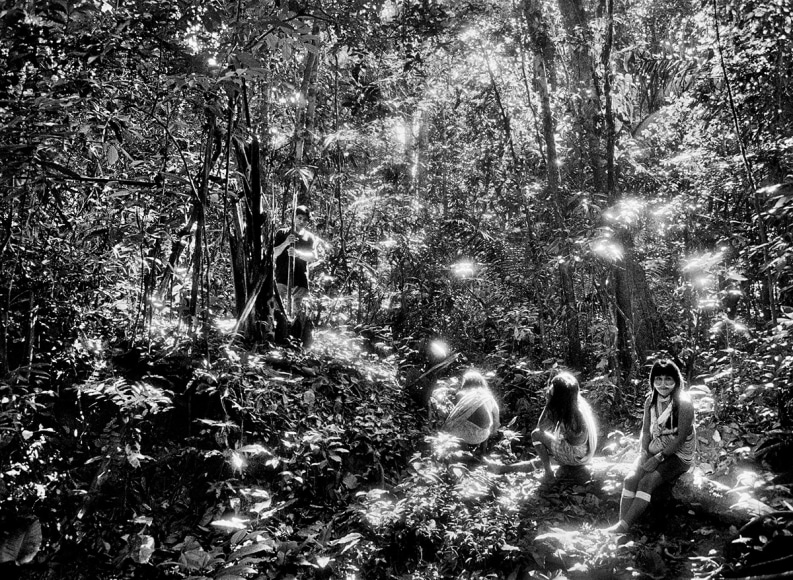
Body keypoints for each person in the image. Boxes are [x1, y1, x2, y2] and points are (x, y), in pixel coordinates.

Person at [606, 359, 695, 533]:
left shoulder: (684, 403)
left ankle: (622, 528)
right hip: (655, 448)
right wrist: (643, 452)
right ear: (652, 381)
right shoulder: (650, 401)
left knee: (647, 481)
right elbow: (645, 432)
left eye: (668, 379)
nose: (663, 384)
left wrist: (658, 458)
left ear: (676, 381)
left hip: (679, 454)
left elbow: (681, 439)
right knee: (630, 479)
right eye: (658, 379)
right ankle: (621, 525)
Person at [488, 371, 597, 480]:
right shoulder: (578, 405)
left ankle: (548, 473)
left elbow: (540, 428)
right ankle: (502, 469)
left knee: (536, 434)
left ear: (558, 394)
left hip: (573, 456)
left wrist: (549, 402)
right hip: (583, 455)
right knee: (541, 461)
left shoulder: (566, 411)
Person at [273, 205, 319, 316]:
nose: (301, 221)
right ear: (294, 218)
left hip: (300, 281)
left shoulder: (309, 237)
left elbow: (313, 256)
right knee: (277, 311)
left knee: (299, 314)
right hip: (282, 279)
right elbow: (273, 253)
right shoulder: (282, 233)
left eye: (305, 219)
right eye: (299, 218)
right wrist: (286, 243)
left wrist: (298, 254)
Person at [441, 370, 500, 447]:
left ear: (466, 382)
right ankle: (483, 449)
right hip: (484, 435)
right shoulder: (487, 396)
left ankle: (461, 448)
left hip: (466, 436)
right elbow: (496, 416)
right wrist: (493, 431)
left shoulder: (461, 394)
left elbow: (457, 415)